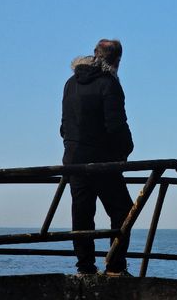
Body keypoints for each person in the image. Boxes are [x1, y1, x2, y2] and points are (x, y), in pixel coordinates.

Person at [60, 39, 134, 276]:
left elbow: (64, 126)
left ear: (95, 54)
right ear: (117, 60)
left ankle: (85, 268)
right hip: (102, 162)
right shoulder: (109, 83)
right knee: (123, 211)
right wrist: (125, 151)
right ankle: (115, 266)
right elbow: (116, 126)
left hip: (73, 161)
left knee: (82, 213)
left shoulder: (70, 84)